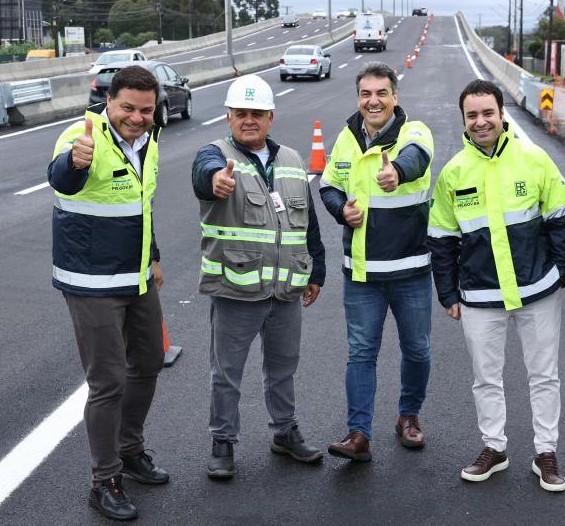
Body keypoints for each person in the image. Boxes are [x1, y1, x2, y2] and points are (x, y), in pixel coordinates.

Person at [428, 79, 565, 491]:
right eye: (472, 115)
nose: (481, 121)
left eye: (487, 113)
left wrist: (560, 270)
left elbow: (562, 217)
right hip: (479, 295)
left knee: (543, 375)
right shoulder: (454, 173)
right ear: (463, 120)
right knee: (485, 378)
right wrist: (448, 292)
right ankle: (494, 447)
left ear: (501, 113)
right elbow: (441, 238)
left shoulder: (534, 158)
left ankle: (546, 452)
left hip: (537, 291)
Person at [48, 65, 169, 521]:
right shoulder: (80, 136)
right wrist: (75, 162)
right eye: (128, 108)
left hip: (136, 277)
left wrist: (153, 257)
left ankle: (130, 449)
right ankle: (105, 480)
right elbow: (62, 177)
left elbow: (142, 204)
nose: (137, 118)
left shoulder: (150, 140)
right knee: (108, 381)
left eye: (146, 110)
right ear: (109, 101)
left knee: (150, 362)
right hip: (91, 282)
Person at [191, 74, 326, 479]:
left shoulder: (293, 160)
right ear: (229, 117)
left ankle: (285, 432)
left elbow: (308, 222)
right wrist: (215, 180)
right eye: (241, 113)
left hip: (286, 290)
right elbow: (204, 174)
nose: (249, 120)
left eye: (257, 113)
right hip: (237, 289)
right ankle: (222, 441)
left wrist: (316, 270)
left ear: (270, 117)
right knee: (227, 373)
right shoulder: (214, 155)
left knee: (283, 368)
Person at [320, 62, 434, 461]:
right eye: (366, 94)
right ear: (358, 98)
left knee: (417, 350)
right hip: (362, 273)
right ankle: (359, 434)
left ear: (394, 97)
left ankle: (408, 417)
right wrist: (340, 210)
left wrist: (397, 172)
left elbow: (417, 158)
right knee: (361, 354)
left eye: (381, 93)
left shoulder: (414, 131)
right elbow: (329, 184)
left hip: (410, 270)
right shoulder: (346, 138)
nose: (374, 101)